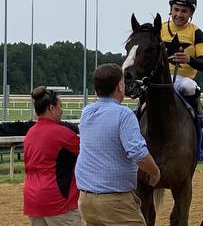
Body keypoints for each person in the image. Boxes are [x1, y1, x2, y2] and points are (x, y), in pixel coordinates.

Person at [75, 63, 161, 226]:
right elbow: (138, 154)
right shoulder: (124, 114)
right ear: (120, 87)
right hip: (115, 201)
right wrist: (155, 172)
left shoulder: (87, 112)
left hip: (87, 200)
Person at [23, 87, 81, 226]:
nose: (62, 111)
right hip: (57, 201)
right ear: (51, 108)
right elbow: (88, 154)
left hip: (32, 198)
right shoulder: (62, 134)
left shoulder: (30, 133)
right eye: (60, 107)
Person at [161, 0, 203, 126]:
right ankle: (138, 111)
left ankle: (197, 117)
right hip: (161, 79)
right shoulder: (159, 29)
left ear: (191, 12)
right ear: (171, 9)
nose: (179, 14)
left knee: (189, 87)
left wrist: (189, 59)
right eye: (176, 10)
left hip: (184, 81)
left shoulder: (196, 32)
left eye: (184, 11)